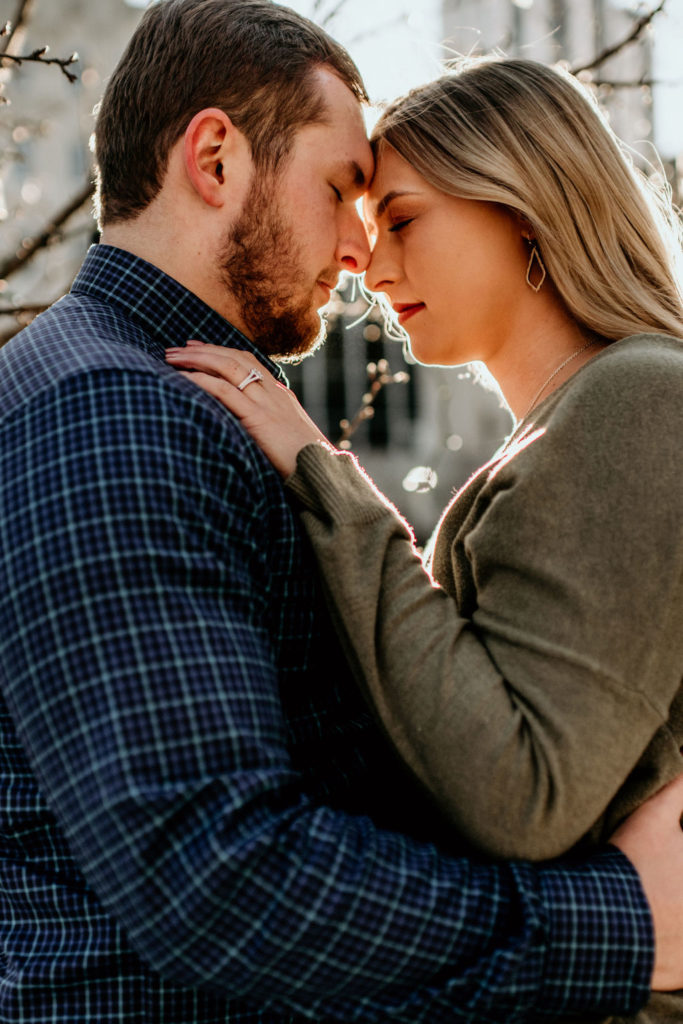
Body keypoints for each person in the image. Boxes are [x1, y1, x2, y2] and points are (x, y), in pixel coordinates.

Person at [0, 1, 680, 1015]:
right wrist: (619, 926)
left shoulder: (173, 399)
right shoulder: (114, 412)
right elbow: (214, 873)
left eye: (391, 214)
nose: (360, 252)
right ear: (217, 160)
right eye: (342, 190)